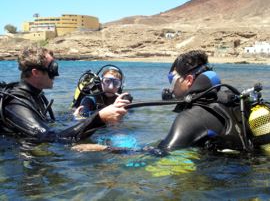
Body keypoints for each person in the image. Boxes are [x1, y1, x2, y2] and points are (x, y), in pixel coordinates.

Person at [72, 50, 253, 153]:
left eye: (172, 81)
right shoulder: (229, 98)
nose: (171, 89)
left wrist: (101, 149)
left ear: (189, 80)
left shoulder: (192, 118)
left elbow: (159, 154)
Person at [0, 46, 130, 144]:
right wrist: (99, 118)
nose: (56, 74)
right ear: (36, 73)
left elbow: (48, 123)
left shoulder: (35, 96)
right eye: (52, 68)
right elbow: (50, 138)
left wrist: (73, 117)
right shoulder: (16, 103)